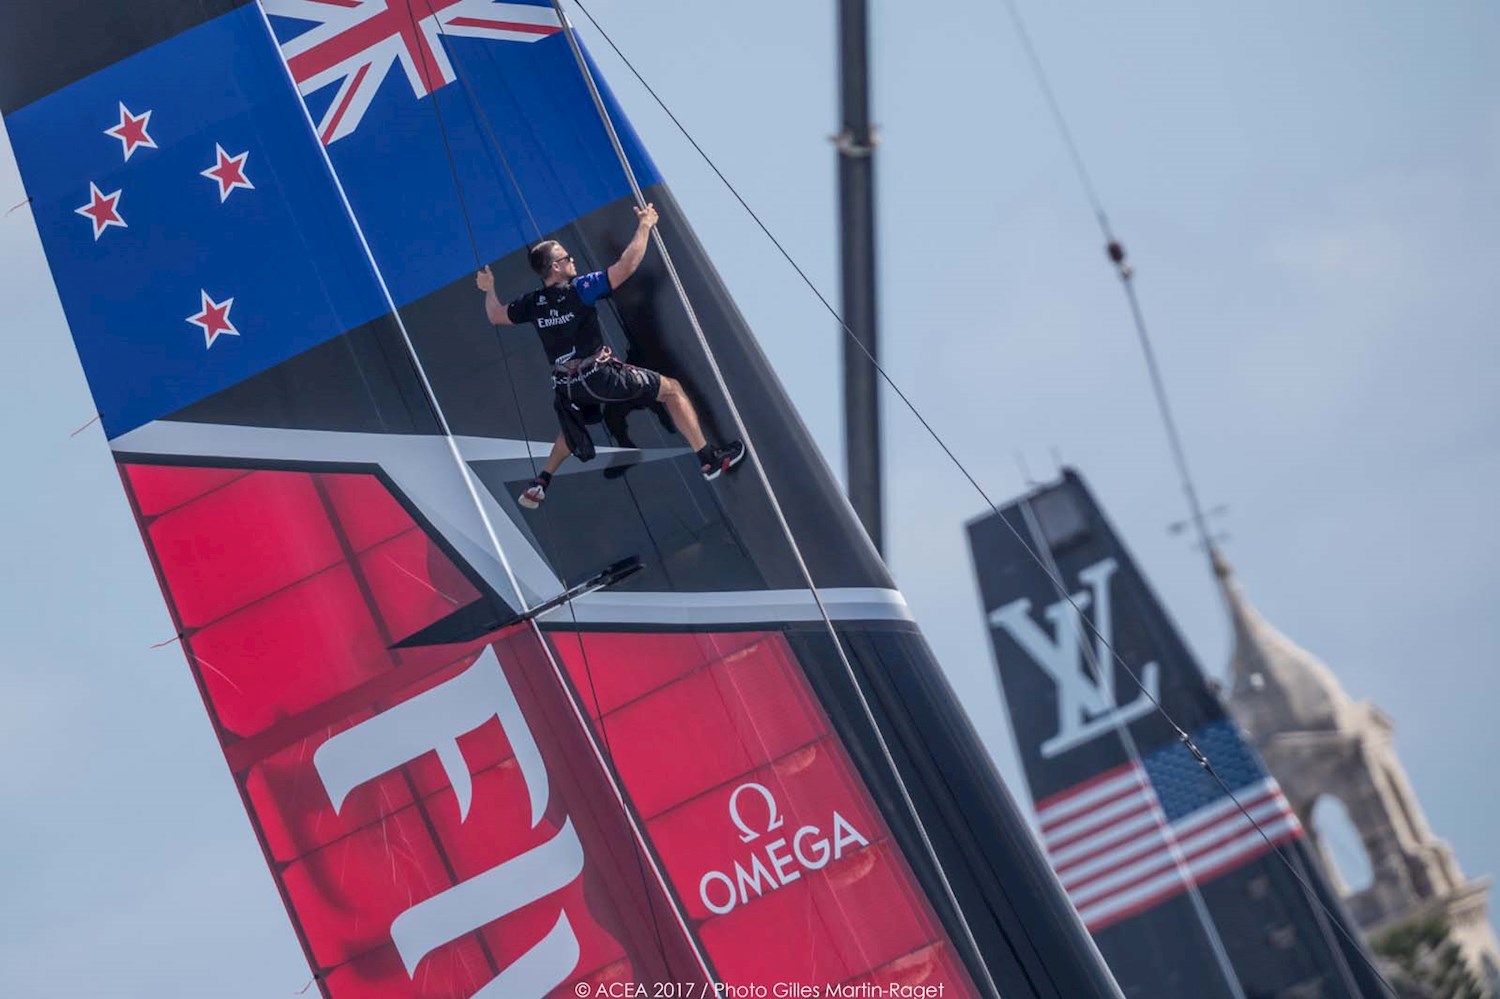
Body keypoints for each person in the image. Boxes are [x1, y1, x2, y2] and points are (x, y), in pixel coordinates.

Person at [476, 203, 745, 509]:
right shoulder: (578, 288)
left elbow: (495, 315)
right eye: (566, 258)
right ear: (555, 267)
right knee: (672, 390)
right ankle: (709, 459)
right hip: (599, 376)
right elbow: (626, 266)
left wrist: (489, 288)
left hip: (567, 386)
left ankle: (543, 479)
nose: (572, 260)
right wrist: (645, 225)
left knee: (572, 425)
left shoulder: (531, 303)